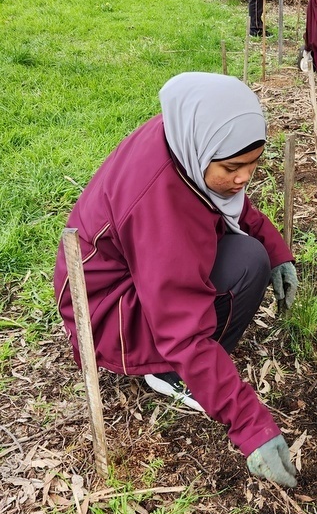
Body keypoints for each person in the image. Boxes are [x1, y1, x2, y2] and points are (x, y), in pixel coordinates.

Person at [54, 72, 298, 488]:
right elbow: (182, 331)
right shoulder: (162, 206)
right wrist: (251, 427)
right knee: (244, 266)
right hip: (109, 314)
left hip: (135, 274)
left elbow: (230, 201)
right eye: (233, 167)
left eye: (253, 165)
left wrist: (275, 248)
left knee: (253, 257)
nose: (243, 178)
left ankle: (187, 366)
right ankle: (168, 373)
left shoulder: (186, 137)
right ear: (201, 150)